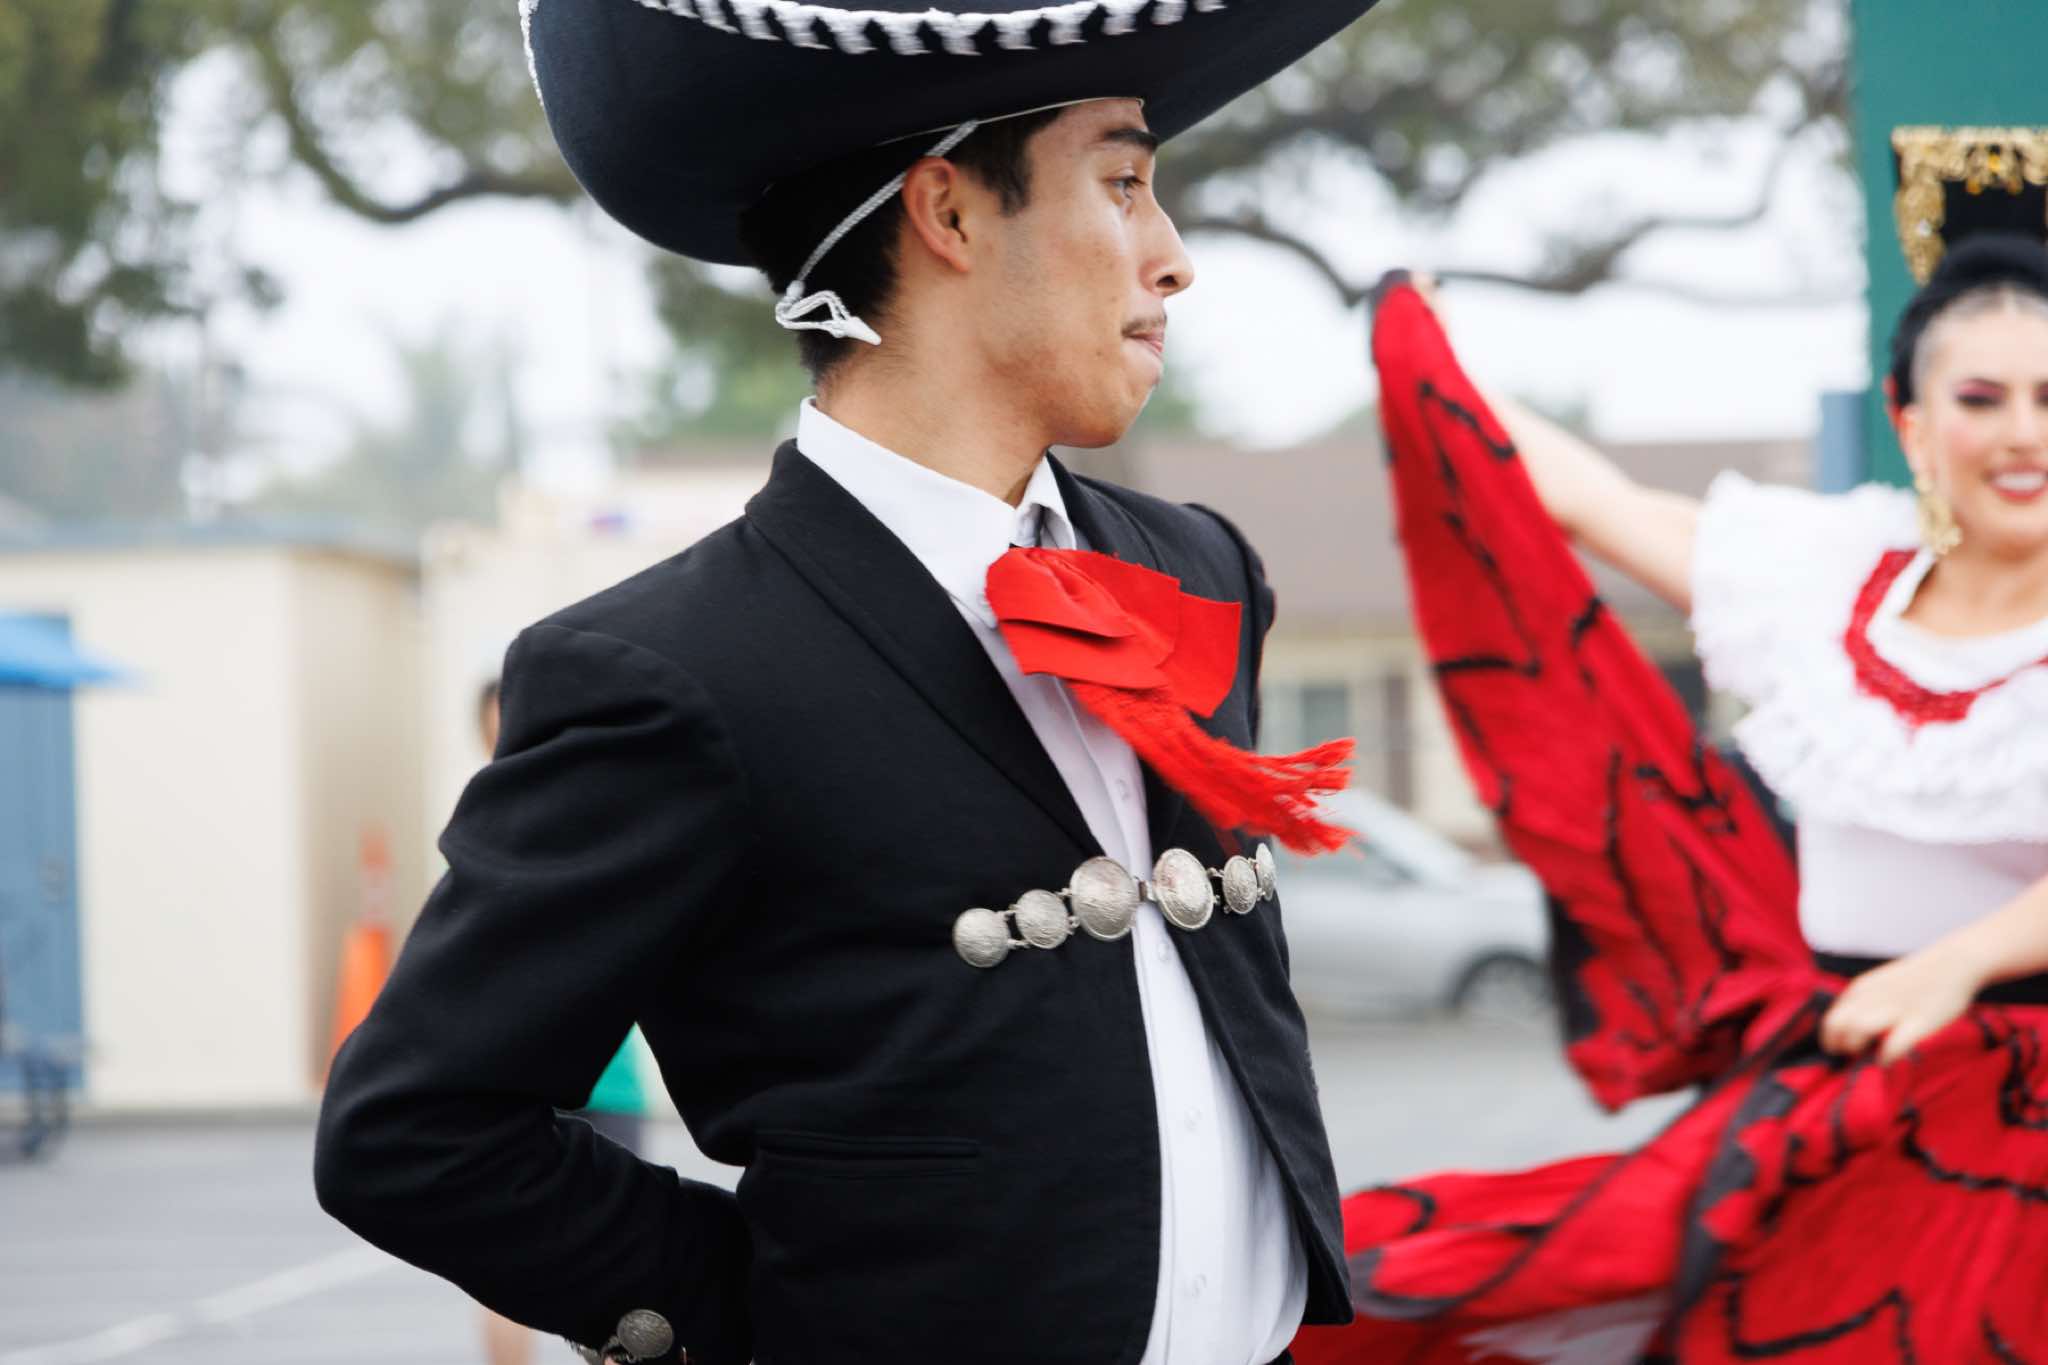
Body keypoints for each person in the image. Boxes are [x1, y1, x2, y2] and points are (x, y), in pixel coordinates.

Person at [313, 1, 1385, 1362]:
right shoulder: (665, 672)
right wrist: (769, 1312)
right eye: (1122, 183)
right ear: (948, 212)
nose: (1171, 259)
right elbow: (414, 1132)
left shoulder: (1202, 569)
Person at [1293, 230, 2048, 1362]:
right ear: (1911, 424)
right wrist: (1425, 347)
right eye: (1981, 399)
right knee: (1440, 1281)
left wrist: (1955, 965)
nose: (2022, 432)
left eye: (2047, 397)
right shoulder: (1831, 576)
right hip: (1840, 1084)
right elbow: (1593, 500)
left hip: (2020, 1109)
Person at [472, 679, 651, 1365]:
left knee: (625, 1271)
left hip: (604, 1077)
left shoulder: (586, 812)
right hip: (518, 1081)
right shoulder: (488, 827)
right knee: (503, 1264)